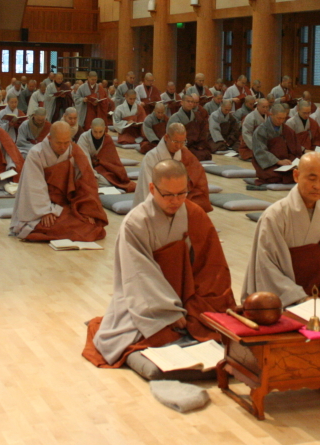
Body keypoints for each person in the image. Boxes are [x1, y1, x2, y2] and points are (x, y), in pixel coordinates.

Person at [83, 160, 235, 369]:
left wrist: (197, 305)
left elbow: (212, 266)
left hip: (189, 296)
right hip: (147, 301)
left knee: (214, 327)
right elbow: (139, 275)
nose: (176, 201)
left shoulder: (194, 214)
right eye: (168, 195)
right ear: (152, 189)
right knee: (151, 335)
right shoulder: (136, 223)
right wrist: (168, 311)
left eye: (181, 193)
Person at [241, 152, 320, 306]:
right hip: (286, 299)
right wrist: (300, 298)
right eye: (312, 178)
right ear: (296, 176)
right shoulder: (274, 216)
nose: (317, 186)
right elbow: (266, 268)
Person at [10, 122, 108, 242]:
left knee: (91, 226)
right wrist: (45, 211)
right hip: (41, 208)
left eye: (66, 142)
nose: (63, 147)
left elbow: (86, 182)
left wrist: (86, 209)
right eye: (59, 143)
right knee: (48, 225)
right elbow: (34, 186)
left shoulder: (74, 151)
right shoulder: (36, 153)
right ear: (50, 138)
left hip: (66, 206)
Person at [133, 122, 212, 212]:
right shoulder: (151, 157)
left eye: (182, 142)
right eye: (176, 142)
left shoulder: (184, 154)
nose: (179, 146)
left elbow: (198, 176)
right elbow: (148, 188)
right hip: (157, 201)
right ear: (166, 137)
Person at [250, 103, 303, 185]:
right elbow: (260, 151)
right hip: (270, 164)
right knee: (274, 177)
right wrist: (278, 161)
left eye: (283, 118)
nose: (281, 121)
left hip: (286, 163)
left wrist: (293, 162)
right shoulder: (261, 130)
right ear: (271, 115)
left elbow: (295, 149)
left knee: (299, 172)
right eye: (279, 118)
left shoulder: (287, 130)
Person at [78, 118, 136, 193]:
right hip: (86, 169)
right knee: (81, 178)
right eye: (95, 132)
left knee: (110, 180)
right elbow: (84, 160)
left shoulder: (107, 138)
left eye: (100, 132)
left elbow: (113, 161)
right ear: (90, 127)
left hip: (100, 168)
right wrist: (93, 176)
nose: (98, 135)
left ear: (104, 129)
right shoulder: (84, 138)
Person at [167, 93, 212, 161]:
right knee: (188, 155)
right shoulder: (175, 117)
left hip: (194, 145)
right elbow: (171, 134)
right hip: (181, 145)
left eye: (192, 102)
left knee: (206, 154)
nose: (190, 103)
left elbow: (202, 131)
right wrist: (182, 145)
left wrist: (200, 144)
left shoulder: (196, 115)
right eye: (188, 101)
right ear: (182, 102)